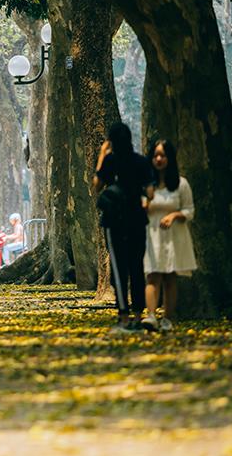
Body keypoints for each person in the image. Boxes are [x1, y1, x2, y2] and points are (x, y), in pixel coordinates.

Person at [92, 122, 155, 333]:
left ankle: (124, 318)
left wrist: (102, 155)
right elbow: (150, 192)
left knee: (119, 270)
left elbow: (97, 185)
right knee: (137, 268)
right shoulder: (141, 161)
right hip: (137, 219)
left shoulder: (110, 161)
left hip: (114, 221)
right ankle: (138, 316)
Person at [141, 139, 197, 333]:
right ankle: (151, 316)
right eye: (155, 155)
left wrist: (174, 215)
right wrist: (146, 200)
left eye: (162, 155)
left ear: (169, 158)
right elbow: (141, 210)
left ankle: (168, 318)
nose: (158, 159)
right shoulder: (147, 185)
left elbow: (190, 211)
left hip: (174, 236)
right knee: (152, 275)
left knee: (170, 277)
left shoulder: (181, 184)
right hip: (152, 235)